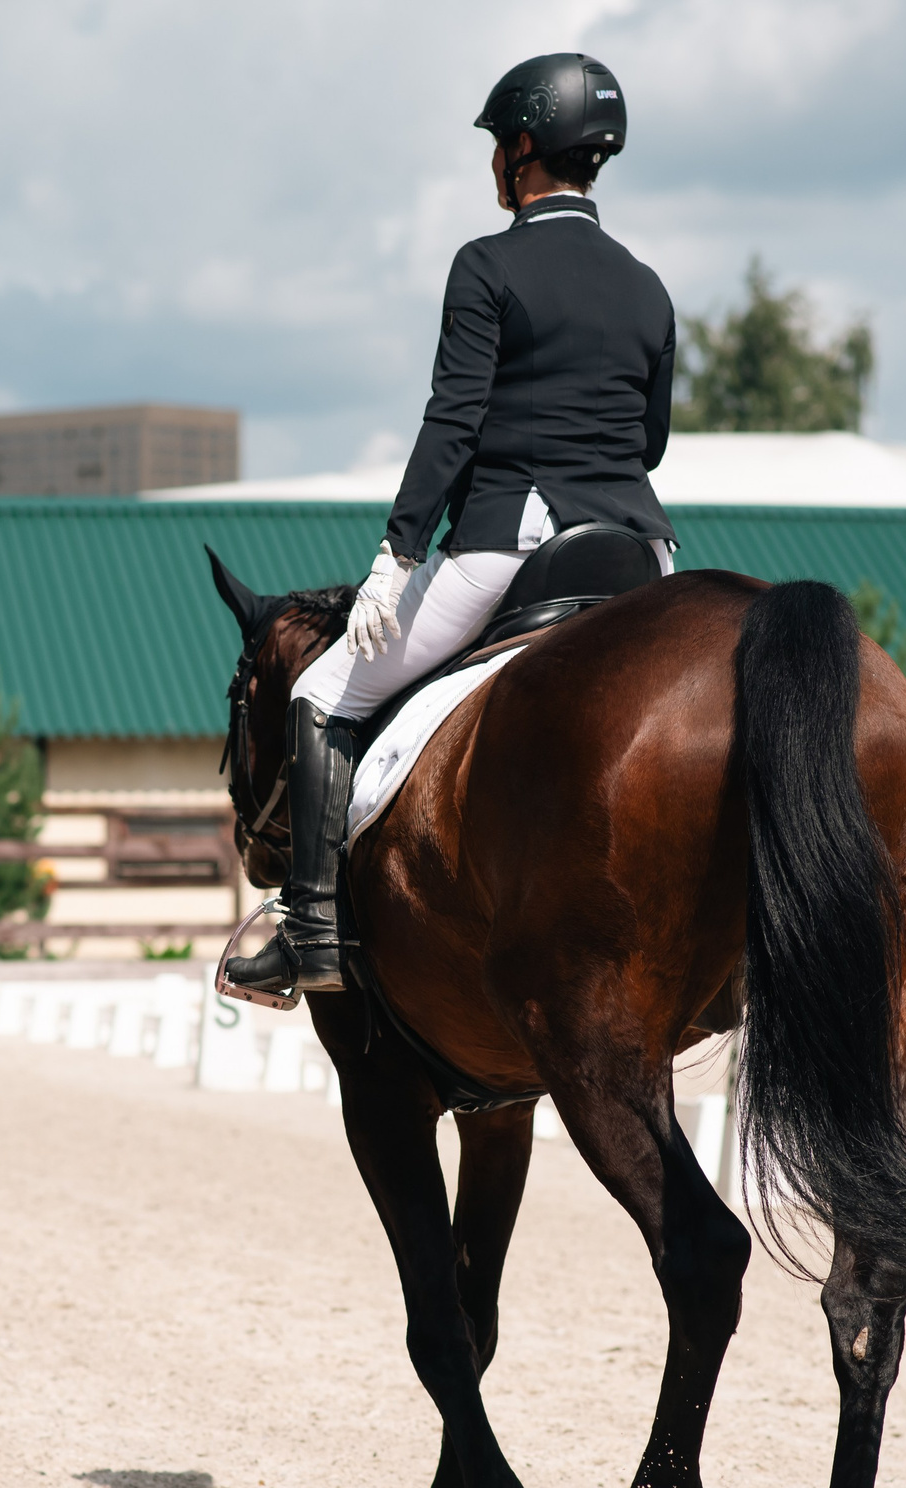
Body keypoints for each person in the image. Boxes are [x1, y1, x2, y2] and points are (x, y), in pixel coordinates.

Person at [224, 52, 679, 996]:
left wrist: (395, 555)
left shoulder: (488, 265)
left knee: (321, 692)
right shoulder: (648, 287)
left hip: (514, 550)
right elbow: (651, 439)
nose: (492, 167)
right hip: (643, 558)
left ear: (523, 149)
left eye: (497, 148)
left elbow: (452, 423)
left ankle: (310, 932)